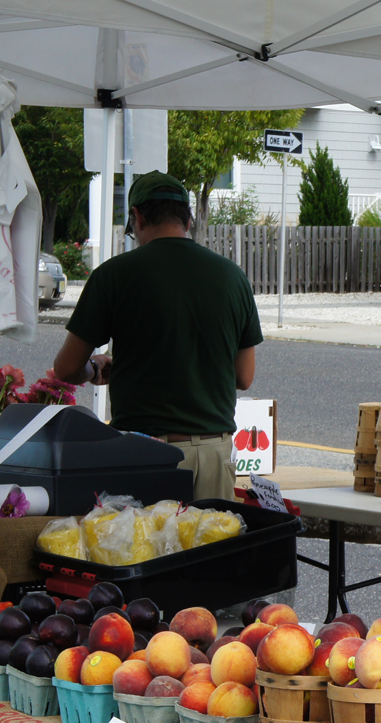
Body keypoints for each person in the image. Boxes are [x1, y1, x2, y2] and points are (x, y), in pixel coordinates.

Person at [53, 170, 261, 501]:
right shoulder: (232, 277)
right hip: (211, 455)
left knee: (146, 551)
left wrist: (94, 369)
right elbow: (244, 376)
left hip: (143, 455)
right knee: (210, 551)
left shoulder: (113, 275)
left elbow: (65, 369)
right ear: (188, 220)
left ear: (136, 217)